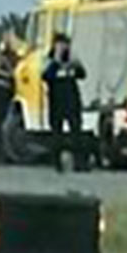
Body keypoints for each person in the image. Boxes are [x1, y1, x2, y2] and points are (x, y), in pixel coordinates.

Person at [42, 33, 89, 172]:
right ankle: (57, 163)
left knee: (76, 132)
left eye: (66, 44)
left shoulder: (71, 58)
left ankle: (80, 163)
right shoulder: (49, 58)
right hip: (56, 101)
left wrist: (76, 64)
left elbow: (82, 75)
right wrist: (56, 61)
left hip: (72, 100)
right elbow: (45, 76)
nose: (64, 47)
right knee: (57, 133)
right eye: (61, 44)